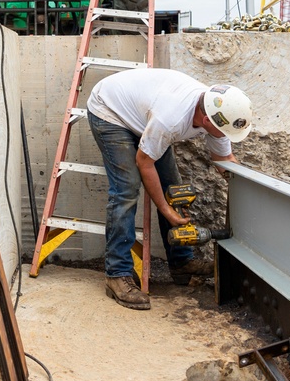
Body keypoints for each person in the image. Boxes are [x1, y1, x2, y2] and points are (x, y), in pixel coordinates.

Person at [86, 68, 253, 310]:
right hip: (111, 111)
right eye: (225, 132)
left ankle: (181, 264)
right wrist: (165, 210)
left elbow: (224, 159)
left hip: (146, 115)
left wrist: (250, 189)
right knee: (127, 189)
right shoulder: (171, 118)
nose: (226, 136)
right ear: (207, 121)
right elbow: (144, 162)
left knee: (173, 187)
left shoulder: (217, 111)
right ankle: (117, 273)